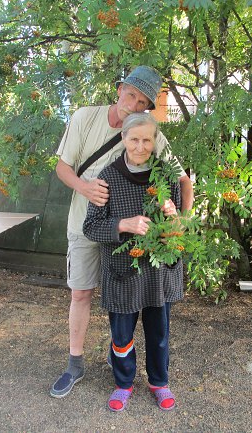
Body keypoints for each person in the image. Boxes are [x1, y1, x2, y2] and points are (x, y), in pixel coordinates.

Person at [51, 66, 193, 398]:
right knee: (81, 293)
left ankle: (128, 365)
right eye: (131, 95)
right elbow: (62, 167)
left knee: (128, 299)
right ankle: (74, 365)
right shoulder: (85, 118)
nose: (134, 105)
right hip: (86, 223)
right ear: (119, 89)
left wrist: (181, 222)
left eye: (143, 102)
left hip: (132, 237)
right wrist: (85, 188)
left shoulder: (146, 130)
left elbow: (182, 181)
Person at [82, 112, 182, 412]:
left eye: (147, 140)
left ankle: (159, 382)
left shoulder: (166, 175)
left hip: (157, 272)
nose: (140, 146)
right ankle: (123, 383)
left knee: (159, 333)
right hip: (122, 272)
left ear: (155, 141)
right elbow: (90, 228)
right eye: (134, 139)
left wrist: (173, 218)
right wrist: (124, 224)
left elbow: (179, 230)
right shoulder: (107, 178)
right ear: (123, 138)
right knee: (122, 335)